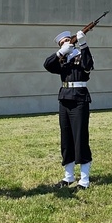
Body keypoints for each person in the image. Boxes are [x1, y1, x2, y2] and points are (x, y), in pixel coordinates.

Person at [44, 29, 94, 188]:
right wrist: (60, 53)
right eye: (62, 43)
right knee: (66, 138)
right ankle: (69, 176)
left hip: (79, 98)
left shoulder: (80, 55)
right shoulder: (62, 59)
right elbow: (47, 65)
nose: (65, 44)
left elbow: (88, 66)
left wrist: (84, 44)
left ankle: (84, 178)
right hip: (65, 98)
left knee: (80, 136)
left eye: (67, 41)